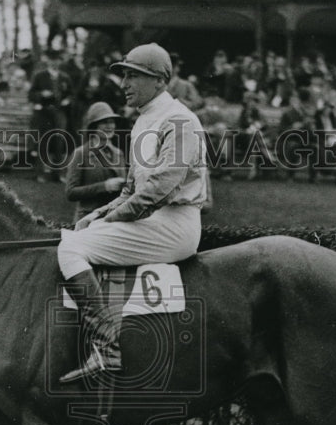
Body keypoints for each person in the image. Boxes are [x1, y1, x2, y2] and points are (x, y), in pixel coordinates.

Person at [57, 43, 208, 382]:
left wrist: (114, 217)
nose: (124, 83)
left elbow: (160, 188)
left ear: (159, 81)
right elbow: (131, 187)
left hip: (174, 223)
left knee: (70, 248)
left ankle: (109, 346)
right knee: (78, 233)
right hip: (153, 217)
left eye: (133, 76)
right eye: (123, 75)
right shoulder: (143, 121)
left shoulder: (180, 120)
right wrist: (97, 215)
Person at [64, 101, 127, 223]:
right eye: (104, 122)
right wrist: (104, 186)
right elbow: (70, 192)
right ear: (93, 127)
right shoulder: (80, 154)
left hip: (112, 219)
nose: (110, 126)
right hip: (87, 220)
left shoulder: (118, 153)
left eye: (112, 122)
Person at [29, 49, 73, 182]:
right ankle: (41, 174)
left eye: (57, 60)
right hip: (44, 112)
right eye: (52, 60)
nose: (54, 63)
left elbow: (71, 94)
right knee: (43, 142)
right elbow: (31, 94)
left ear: (60, 62)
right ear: (48, 61)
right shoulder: (39, 76)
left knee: (59, 142)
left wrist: (68, 100)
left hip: (59, 112)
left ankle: (58, 174)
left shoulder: (65, 77)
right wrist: (41, 94)